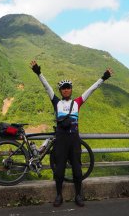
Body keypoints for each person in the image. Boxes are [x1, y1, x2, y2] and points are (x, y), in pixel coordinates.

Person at [30, 60, 113, 207]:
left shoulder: (77, 103)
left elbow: (92, 89)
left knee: (77, 169)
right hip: (61, 140)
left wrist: (104, 77)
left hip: (74, 139)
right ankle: (58, 196)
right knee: (59, 170)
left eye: (68, 88)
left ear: (71, 90)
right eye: (63, 88)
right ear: (61, 91)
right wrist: (39, 73)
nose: (66, 90)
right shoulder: (56, 102)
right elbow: (46, 86)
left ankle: (79, 196)